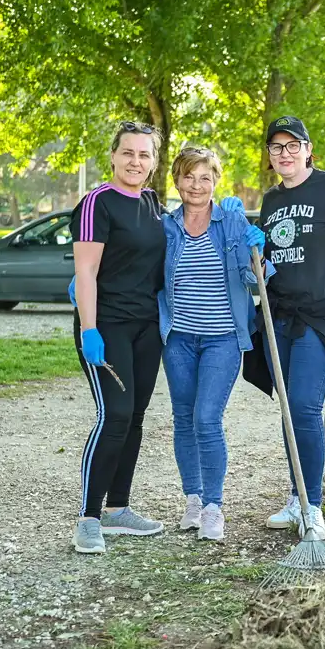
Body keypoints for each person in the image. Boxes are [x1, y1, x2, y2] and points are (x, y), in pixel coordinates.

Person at [241, 115, 325, 540]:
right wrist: (255, 256)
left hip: (322, 319)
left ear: (307, 150)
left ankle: (312, 506)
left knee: (303, 405)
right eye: (276, 147)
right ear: (269, 155)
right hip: (278, 316)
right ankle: (296, 497)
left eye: (292, 145)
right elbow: (268, 264)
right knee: (289, 409)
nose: (284, 153)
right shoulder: (271, 200)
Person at [69, 121, 169, 554]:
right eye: (128, 152)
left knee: (135, 418)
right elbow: (86, 270)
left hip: (147, 328)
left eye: (144, 154)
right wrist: (89, 329)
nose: (135, 161)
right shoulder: (97, 203)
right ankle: (88, 518)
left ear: (153, 162)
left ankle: (118, 510)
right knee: (115, 415)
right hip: (106, 326)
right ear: (113, 156)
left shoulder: (152, 203)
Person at [158, 146, 267, 541]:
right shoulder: (166, 226)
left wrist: (257, 253)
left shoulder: (232, 222)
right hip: (178, 339)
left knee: (206, 418)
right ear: (176, 180)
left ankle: (213, 506)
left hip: (222, 338)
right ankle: (193, 499)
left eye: (205, 177)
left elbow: (255, 281)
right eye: (188, 176)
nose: (196, 185)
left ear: (216, 182)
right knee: (183, 418)